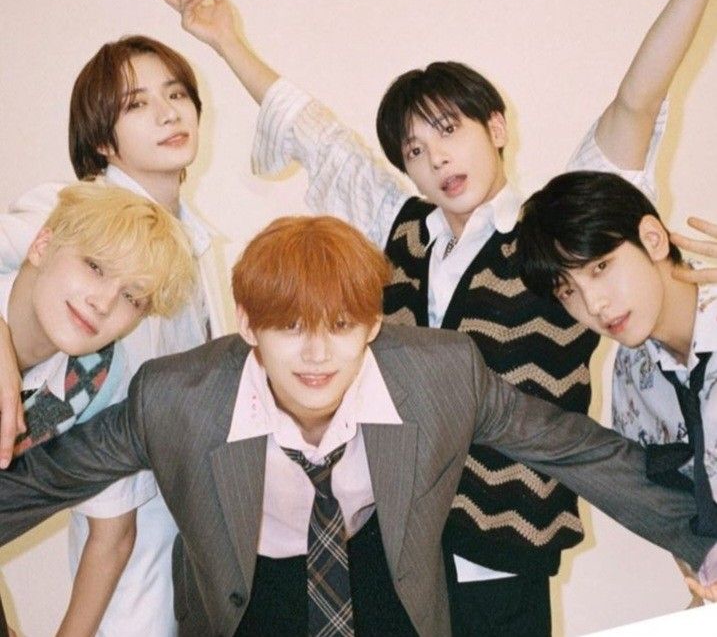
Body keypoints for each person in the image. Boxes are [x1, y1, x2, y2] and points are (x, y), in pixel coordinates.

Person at [147, 0, 717, 632]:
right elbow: (318, 136)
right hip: (394, 547)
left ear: (496, 127)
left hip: (503, 548)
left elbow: (636, 99)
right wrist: (228, 41)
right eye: (414, 149)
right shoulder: (402, 229)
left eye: (449, 130)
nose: (435, 159)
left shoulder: (550, 241)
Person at [1, 214, 717, 637]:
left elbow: (576, 451)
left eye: (341, 326)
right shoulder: (176, 397)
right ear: (247, 323)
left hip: (387, 571)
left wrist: (706, 544)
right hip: (247, 589)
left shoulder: (439, 374)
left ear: (373, 322)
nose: (316, 353)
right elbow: (47, 478)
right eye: (288, 327)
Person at [0, 35, 230, 635]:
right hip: (127, 508)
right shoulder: (71, 209)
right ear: (102, 139)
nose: (168, 112)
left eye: (177, 94)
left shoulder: (197, 248)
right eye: (136, 103)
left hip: (159, 513)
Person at [0, 181, 195, 636]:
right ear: (42, 244)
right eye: (94, 266)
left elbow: (112, 537)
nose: (103, 302)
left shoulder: (105, 380)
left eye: (132, 297)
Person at [516, 170, 717, 601]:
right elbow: (678, 513)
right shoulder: (633, 375)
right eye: (568, 291)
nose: (594, 305)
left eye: (601, 267)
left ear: (654, 239)